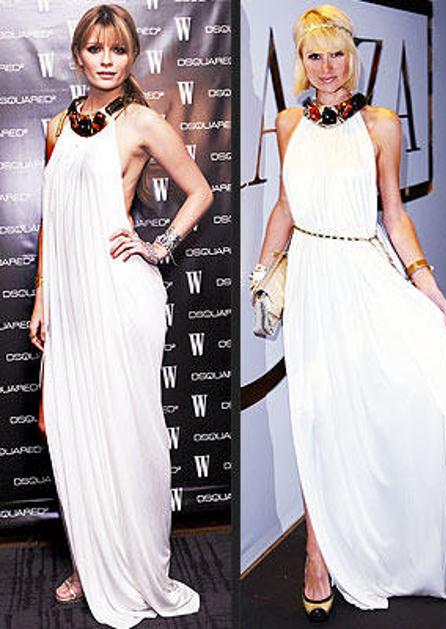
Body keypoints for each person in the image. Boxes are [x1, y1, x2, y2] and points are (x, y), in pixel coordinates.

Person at [250, 4, 446, 622]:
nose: (326, 67)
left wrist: (427, 284)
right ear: (302, 61)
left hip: (363, 272)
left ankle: (387, 531)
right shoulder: (288, 122)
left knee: (384, 401)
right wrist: (262, 275)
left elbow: (393, 212)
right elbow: (286, 205)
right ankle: (317, 555)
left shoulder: (381, 124)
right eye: (314, 55)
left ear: (353, 55)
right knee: (315, 414)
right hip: (312, 280)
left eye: (336, 54)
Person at [29, 4, 213, 627]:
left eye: (118, 50)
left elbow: (201, 190)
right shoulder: (60, 124)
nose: (106, 60)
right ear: (78, 55)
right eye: (95, 49)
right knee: (77, 431)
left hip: (121, 293)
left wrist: (158, 247)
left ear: (131, 56)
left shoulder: (141, 121)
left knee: (125, 431)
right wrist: (42, 298)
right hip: (72, 299)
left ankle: (132, 565)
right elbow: (52, 221)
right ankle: (92, 557)